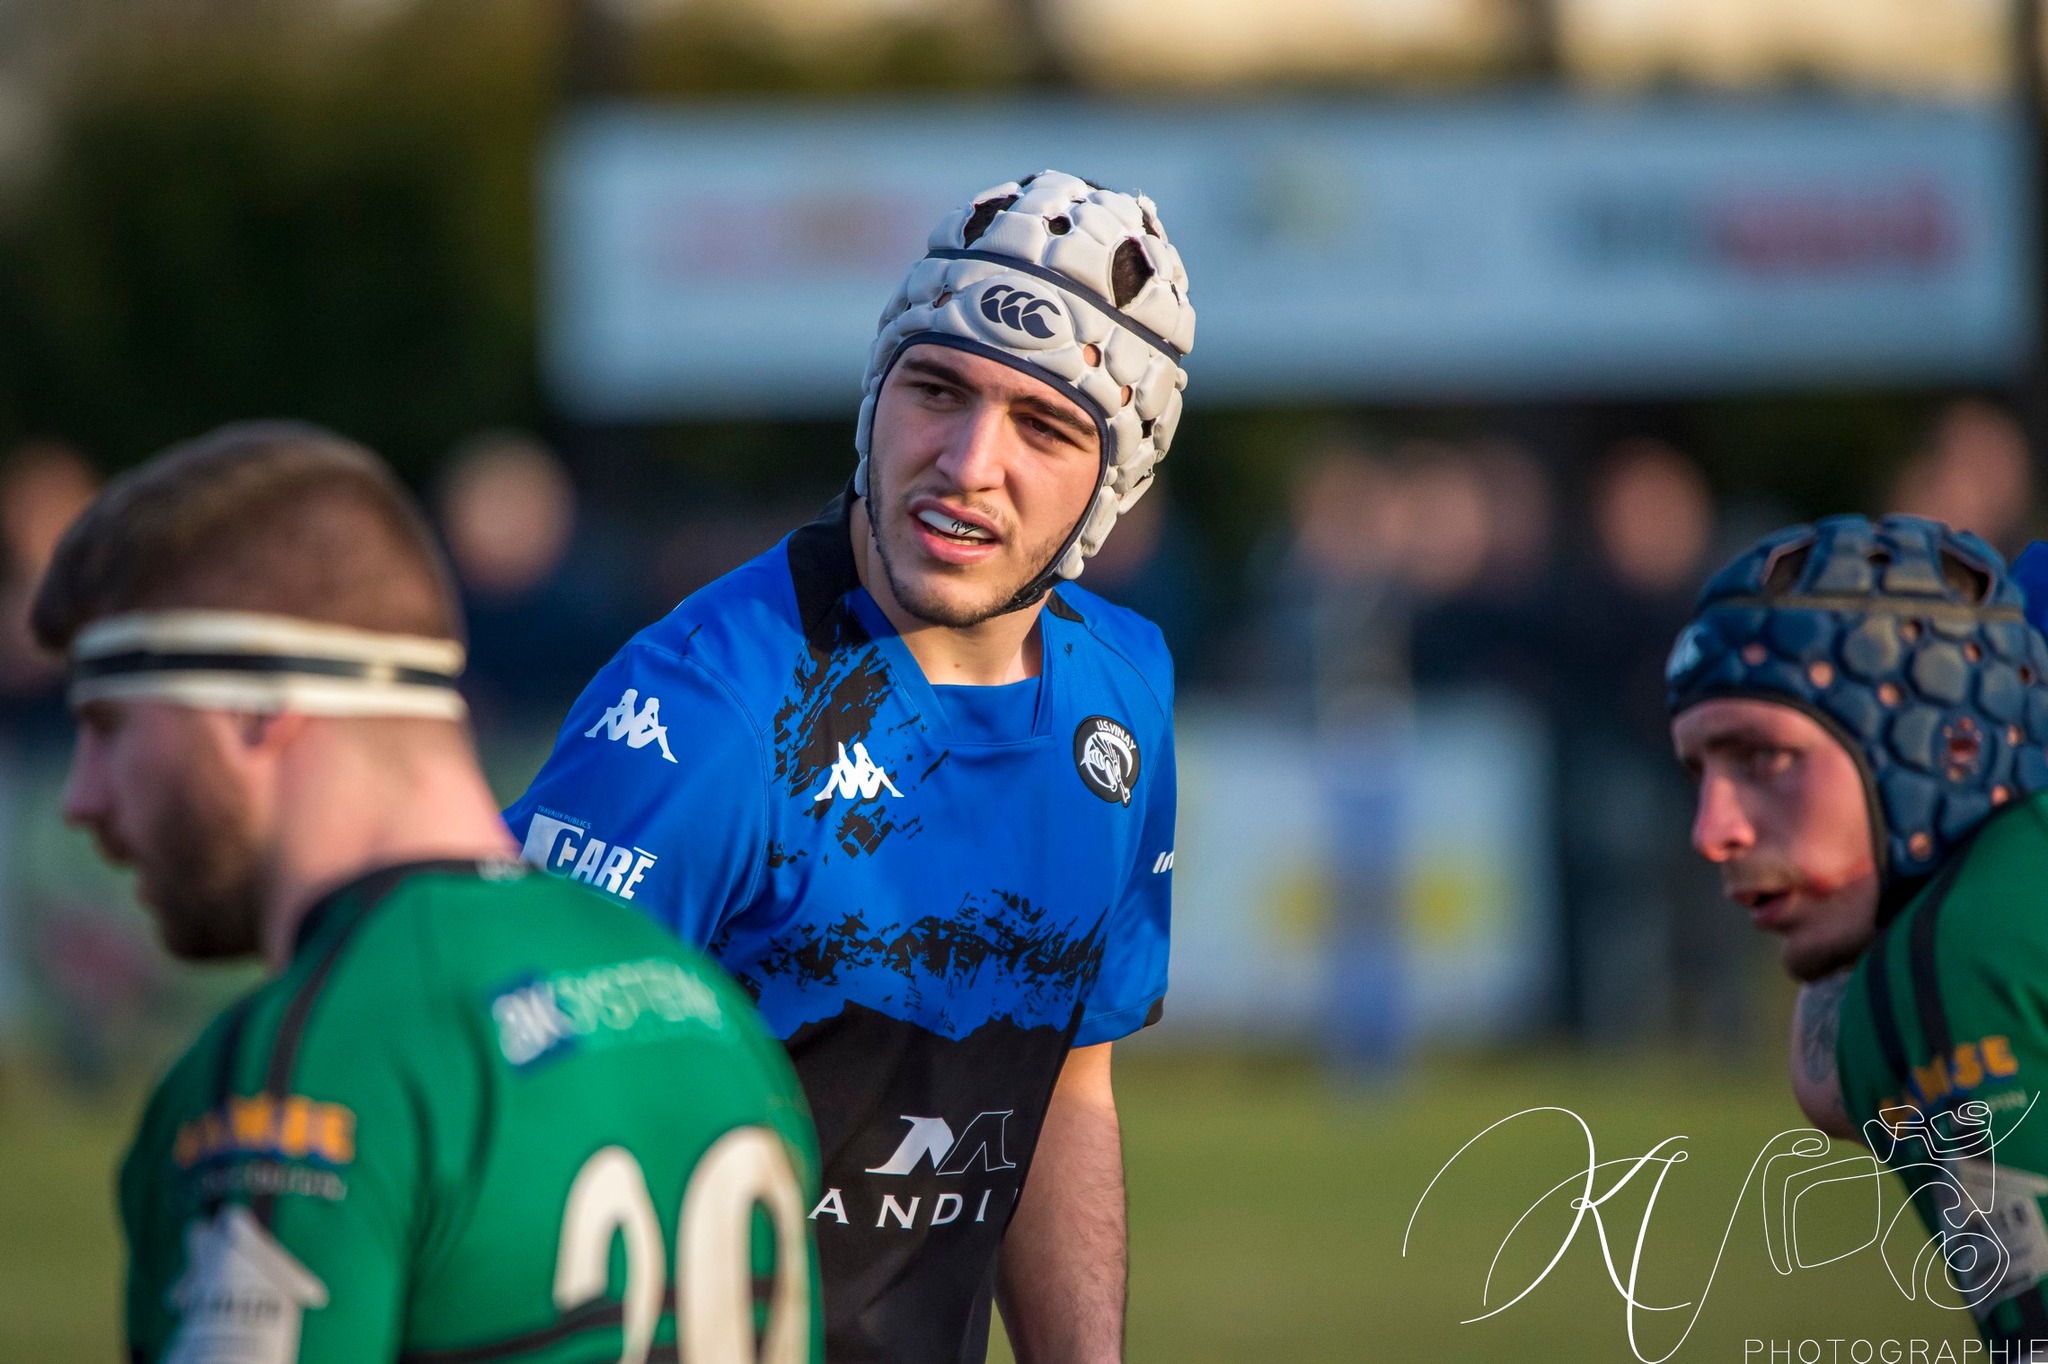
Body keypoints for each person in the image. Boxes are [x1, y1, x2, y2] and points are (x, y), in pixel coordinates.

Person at [507, 169, 1194, 1364]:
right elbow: (497, 1100)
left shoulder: (1124, 698)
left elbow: (1069, 1084)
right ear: (875, 396)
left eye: (1044, 425)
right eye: (937, 388)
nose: (969, 461)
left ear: (1115, 483)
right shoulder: (708, 712)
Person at [40, 423, 822, 1362]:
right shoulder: (711, 1015)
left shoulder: (304, 1074)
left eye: (109, 726)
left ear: (254, 705)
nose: (82, 797)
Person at [1667, 512, 2048, 1344]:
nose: (1711, 830)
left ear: (1940, 745)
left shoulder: (1955, 955)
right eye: (1701, 772)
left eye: (1763, 759)